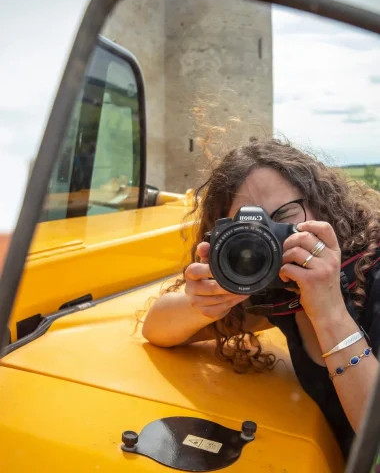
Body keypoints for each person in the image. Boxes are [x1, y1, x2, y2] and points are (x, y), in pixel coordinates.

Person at [142, 137, 380, 459]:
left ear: (321, 205)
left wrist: (329, 311)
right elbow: (156, 329)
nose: (267, 236)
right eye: (250, 227)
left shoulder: (371, 275)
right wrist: (210, 299)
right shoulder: (282, 295)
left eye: (283, 216)